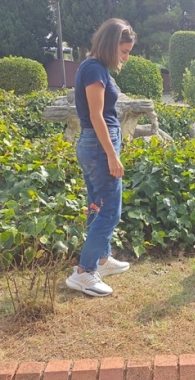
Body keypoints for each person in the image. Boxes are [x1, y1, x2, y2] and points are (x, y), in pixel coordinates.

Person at [65, 18, 137, 297]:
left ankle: (102, 260)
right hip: (99, 146)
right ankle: (84, 272)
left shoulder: (92, 67)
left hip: (94, 145)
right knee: (109, 211)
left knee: (96, 205)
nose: (126, 57)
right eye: (124, 51)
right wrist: (112, 155)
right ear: (110, 45)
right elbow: (96, 116)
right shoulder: (95, 70)